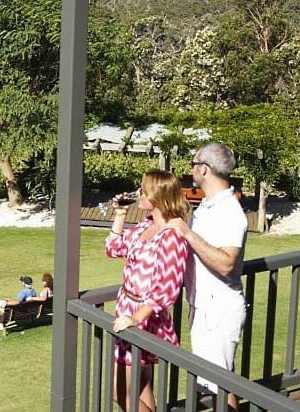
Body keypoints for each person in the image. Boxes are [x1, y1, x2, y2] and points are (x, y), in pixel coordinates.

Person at [169, 143, 247, 411]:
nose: (190, 169)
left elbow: (227, 264)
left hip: (219, 310)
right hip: (204, 306)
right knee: (215, 382)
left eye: (193, 164)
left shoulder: (230, 212)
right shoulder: (208, 205)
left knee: (220, 385)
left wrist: (188, 234)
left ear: (204, 169)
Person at [107, 169, 189, 412]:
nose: (138, 193)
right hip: (126, 311)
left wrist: (136, 318)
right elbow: (114, 248)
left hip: (144, 319)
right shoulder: (146, 224)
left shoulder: (173, 234)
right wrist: (120, 215)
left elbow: (168, 287)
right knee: (141, 388)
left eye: (143, 189)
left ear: (158, 195)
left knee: (119, 391)